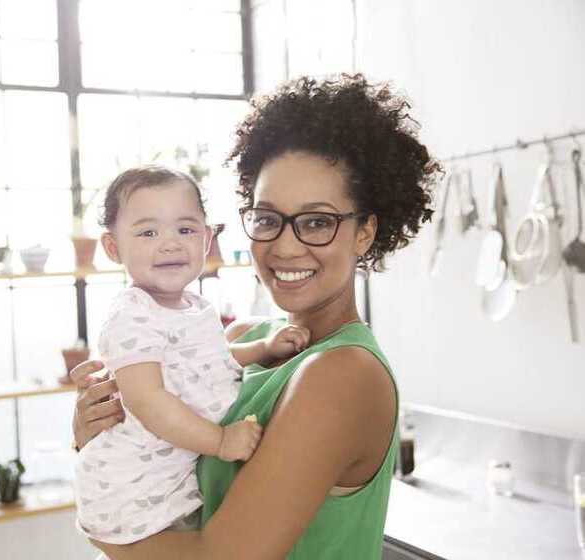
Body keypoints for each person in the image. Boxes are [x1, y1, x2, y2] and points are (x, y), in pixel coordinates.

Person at [72, 74, 440, 559]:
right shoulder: (247, 339)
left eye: (317, 222)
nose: (285, 245)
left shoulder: (343, 375)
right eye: (268, 218)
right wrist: (97, 433)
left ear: (365, 232)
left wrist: (101, 532)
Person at [75, 165, 312, 545]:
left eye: (185, 230)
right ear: (113, 248)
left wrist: (261, 349)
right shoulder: (132, 315)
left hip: (169, 483)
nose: (170, 243)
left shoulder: (193, 306)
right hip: (133, 492)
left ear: (206, 239)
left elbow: (206, 366)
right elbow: (148, 400)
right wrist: (220, 442)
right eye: (148, 232)